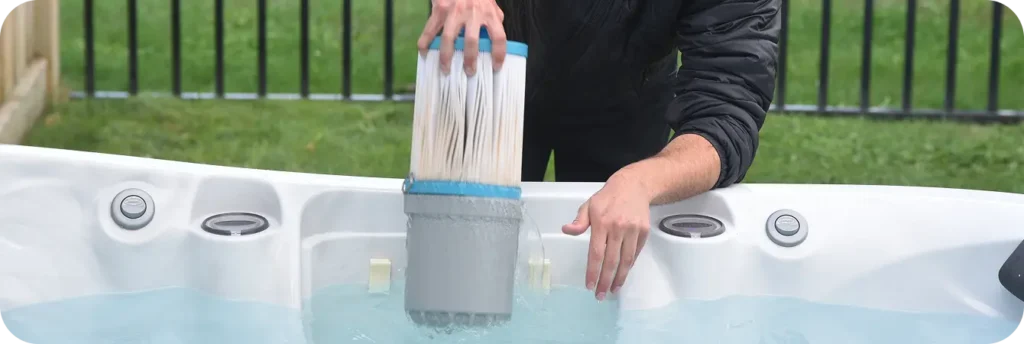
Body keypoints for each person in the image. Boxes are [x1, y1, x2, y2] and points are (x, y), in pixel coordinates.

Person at [418, 0, 780, 301]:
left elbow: (727, 107)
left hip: (629, 88)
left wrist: (642, 181)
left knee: (603, 294)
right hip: (481, 62)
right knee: (455, 286)